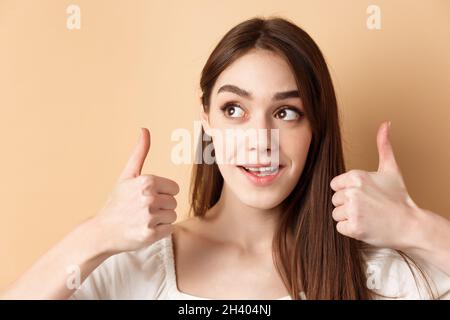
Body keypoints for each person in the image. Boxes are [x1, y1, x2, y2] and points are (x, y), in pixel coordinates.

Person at [1, 17, 449, 300]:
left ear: (316, 130)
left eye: (286, 112)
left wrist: (414, 226)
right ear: (207, 122)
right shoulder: (138, 264)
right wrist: (94, 235)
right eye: (234, 110)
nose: (260, 139)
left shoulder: (368, 268)